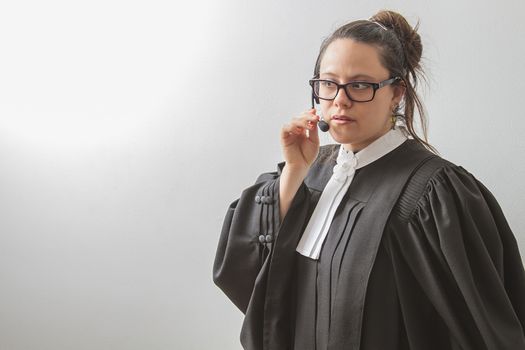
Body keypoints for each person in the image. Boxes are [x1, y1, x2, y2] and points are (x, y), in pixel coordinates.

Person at [213, 9, 525, 350]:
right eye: (328, 84)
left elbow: (480, 330)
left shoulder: (434, 195)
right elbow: (254, 283)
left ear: (397, 93)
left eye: (360, 85)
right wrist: (294, 172)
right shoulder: (310, 172)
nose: (340, 100)